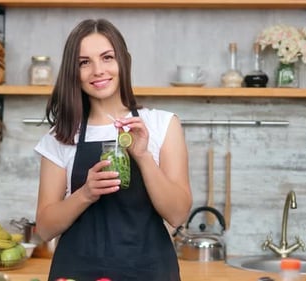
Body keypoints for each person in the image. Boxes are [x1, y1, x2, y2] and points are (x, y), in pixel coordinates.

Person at [34, 18, 192, 281]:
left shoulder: (162, 125)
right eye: (84, 62)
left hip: (149, 273)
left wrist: (142, 156)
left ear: (123, 62)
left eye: (107, 57)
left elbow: (177, 214)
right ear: (74, 72)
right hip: (77, 273)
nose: (98, 70)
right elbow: (45, 228)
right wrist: (85, 193)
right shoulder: (61, 136)